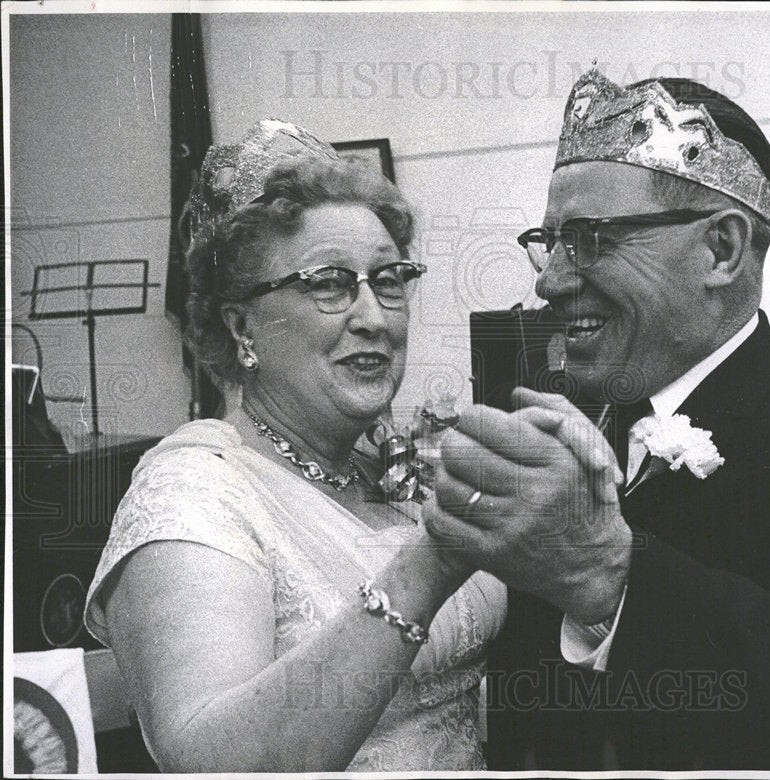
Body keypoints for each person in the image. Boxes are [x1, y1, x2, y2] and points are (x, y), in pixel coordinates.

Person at [424, 71, 770, 770]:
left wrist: (606, 570)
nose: (548, 281)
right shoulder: (550, 425)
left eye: (590, 240)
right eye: (548, 243)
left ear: (721, 250)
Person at [83, 120, 505, 772]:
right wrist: (428, 565)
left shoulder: (402, 466)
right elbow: (211, 764)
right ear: (241, 326)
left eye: (388, 279)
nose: (372, 316)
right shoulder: (193, 494)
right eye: (329, 283)